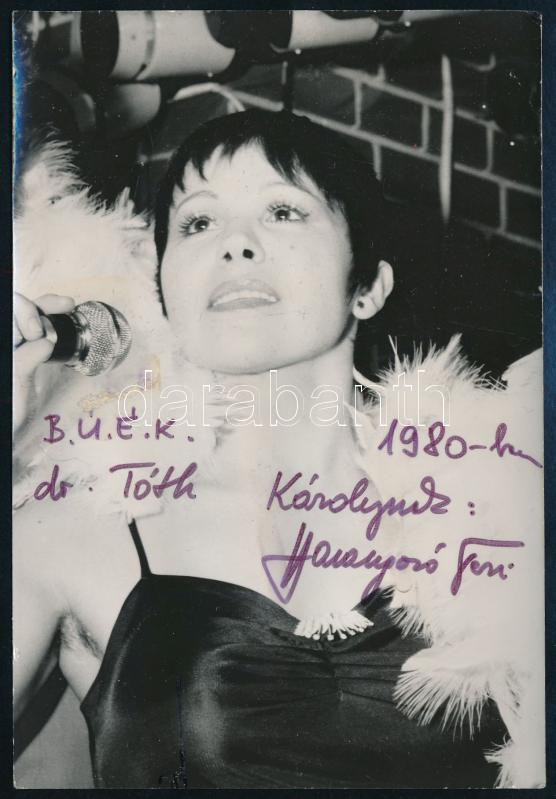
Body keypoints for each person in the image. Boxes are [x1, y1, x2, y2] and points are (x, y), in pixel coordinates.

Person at [13, 110, 542, 788]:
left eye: (284, 211)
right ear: (166, 290)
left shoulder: (503, 513)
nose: (235, 244)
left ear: (368, 287)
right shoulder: (72, 528)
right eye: (199, 223)